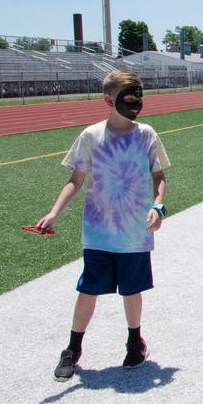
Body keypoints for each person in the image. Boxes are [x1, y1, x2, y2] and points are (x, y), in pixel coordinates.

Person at [36, 70, 170, 381]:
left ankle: (135, 341)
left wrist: (158, 207)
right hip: (98, 232)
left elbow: (159, 176)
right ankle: (72, 349)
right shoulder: (91, 136)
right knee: (89, 289)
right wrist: (55, 213)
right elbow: (76, 180)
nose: (136, 102)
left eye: (139, 96)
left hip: (135, 233)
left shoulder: (146, 134)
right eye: (128, 97)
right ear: (109, 100)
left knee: (132, 290)